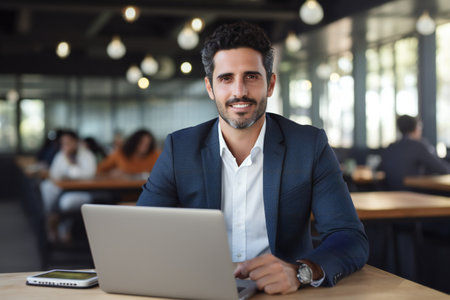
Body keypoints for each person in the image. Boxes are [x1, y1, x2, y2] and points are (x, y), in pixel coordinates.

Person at [137, 22, 368, 295]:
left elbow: (350, 237)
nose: (239, 91)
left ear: (270, 84)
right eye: (226, 78)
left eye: (251, 76)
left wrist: (301, 271)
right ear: (210, 87)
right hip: (201, 290)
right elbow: (142, 235)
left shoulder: (308, 145)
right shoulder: (180, 149)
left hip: (284, 293)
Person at [39, 130, 97, 243]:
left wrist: (70, 164)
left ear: (76, 142)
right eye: (63, 143)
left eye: (69, 142)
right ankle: (52, 219)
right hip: (62, 189)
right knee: (46, 187)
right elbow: (54, 173)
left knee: (67, 203)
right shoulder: (61, 155)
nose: (66, 146)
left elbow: (87, 174)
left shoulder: (87, 155)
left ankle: (59, 224)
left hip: (80, 191)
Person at [379, 115, 450, 190]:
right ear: (416, 128)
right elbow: (442, 169)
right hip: (415, 194)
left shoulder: (390, 147)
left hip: (392, 194)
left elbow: (380, 169)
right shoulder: (418, 146)